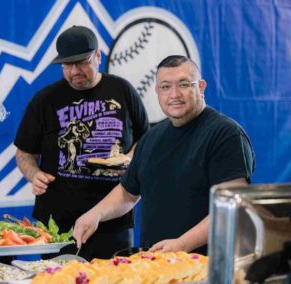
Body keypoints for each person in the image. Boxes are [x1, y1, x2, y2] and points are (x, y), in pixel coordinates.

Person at [73, 55, 256, 255]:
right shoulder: (151, 138)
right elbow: (128, 193)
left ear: (201, 87)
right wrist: (94, 215)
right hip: (155, 265)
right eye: (165, 86)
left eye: (184, 84)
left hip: (205, 268)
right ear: (157, 91)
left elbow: (230, 207)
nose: (174, 94)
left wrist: (182, 244)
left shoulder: (225, 134)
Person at [14, 25, 149, 260]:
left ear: (98, 56)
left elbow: (145, 141)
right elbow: (24, 153)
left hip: (114, 220)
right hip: (58, 225)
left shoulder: (123, 91)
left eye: (82, 62)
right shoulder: (45, 99)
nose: (75, 71)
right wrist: (33, 174)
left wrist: (129, 158)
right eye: (67, 65)